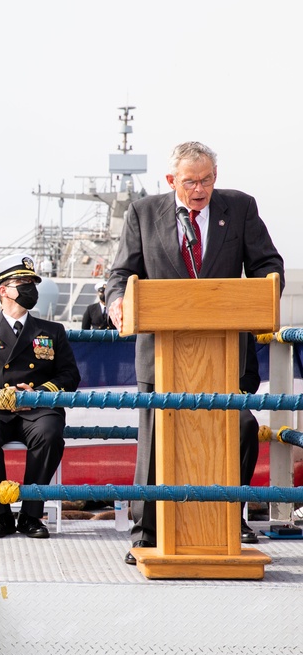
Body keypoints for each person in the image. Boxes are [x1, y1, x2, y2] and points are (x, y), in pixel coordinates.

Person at [105, 141, 283, 564]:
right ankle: (146, 534)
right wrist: (117, 302)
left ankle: (229, 519)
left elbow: (266, 265)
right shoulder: (143, 213)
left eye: (207, 180)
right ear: (171, 181)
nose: (200, 189)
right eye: (190, 182)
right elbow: (121, 273)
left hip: (227, 358)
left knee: (240, 429)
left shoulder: (240, 208)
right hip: (160, 358)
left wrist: (266, 291)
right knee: (154, 443)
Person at [0, 254, 80, 539]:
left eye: (32, 283)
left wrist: (38, 394)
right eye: (22, 282)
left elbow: (69, 375)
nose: (30, 288)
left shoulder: (52, 331)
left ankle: (31, 515)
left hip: (37, 408)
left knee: (49, 435)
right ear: (3, 291)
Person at [238, 333, 261, 544]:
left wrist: (234, 388)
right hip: (186, 393)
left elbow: (252, 377)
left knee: (247, 425)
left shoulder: (240, 320)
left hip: (228, 399)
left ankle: (235, 515)